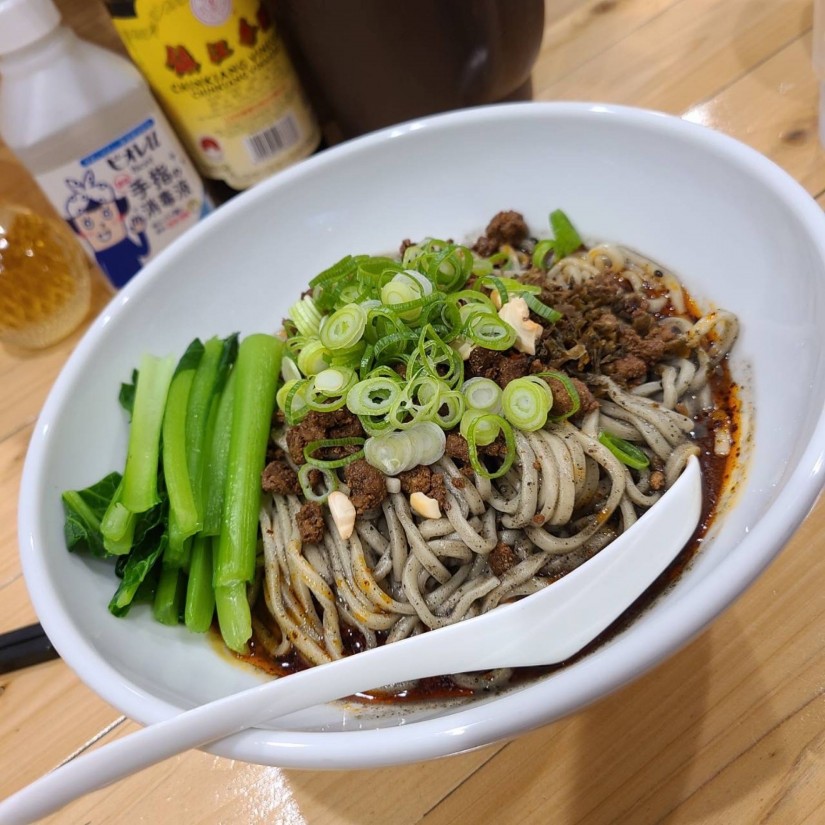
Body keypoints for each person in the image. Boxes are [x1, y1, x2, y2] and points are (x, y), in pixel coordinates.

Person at [64, 170, 150, 287]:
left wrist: (140, 232)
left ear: (120, 215)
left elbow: (144, 251)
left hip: (145, 280)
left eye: (107, 214)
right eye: (88, 223)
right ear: (81, 233)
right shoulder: (100, 255)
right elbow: (106, 276)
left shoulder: (124, 243)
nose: (101, 225)